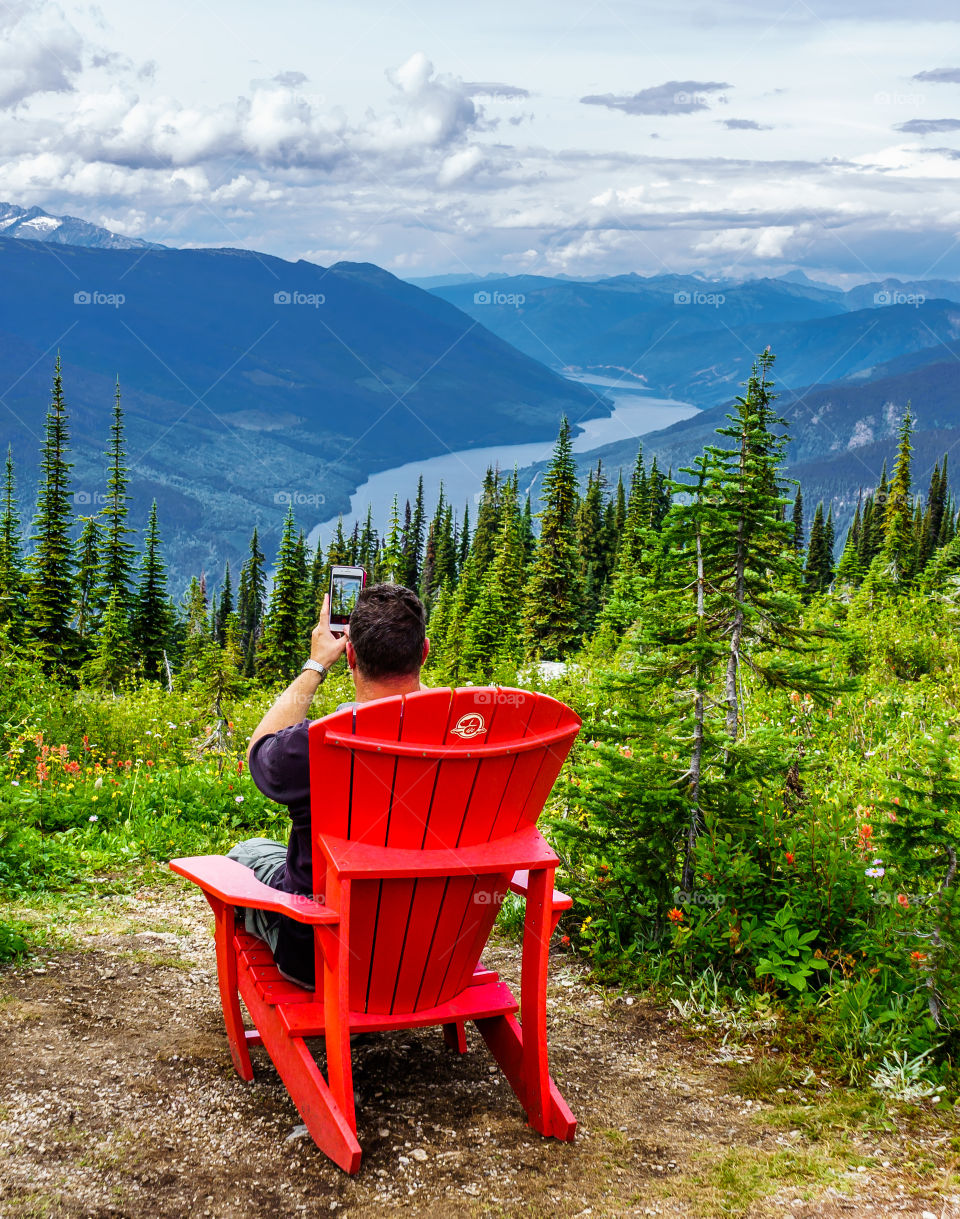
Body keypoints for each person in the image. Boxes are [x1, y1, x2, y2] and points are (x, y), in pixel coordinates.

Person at [228, 582, 429, 989]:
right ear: (423, 652)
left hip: (319, 959)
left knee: (245, 852)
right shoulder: (470, 741)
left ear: (350, 655)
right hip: (428, 956)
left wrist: (315, 665)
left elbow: (258, 751)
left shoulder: (316, 743)